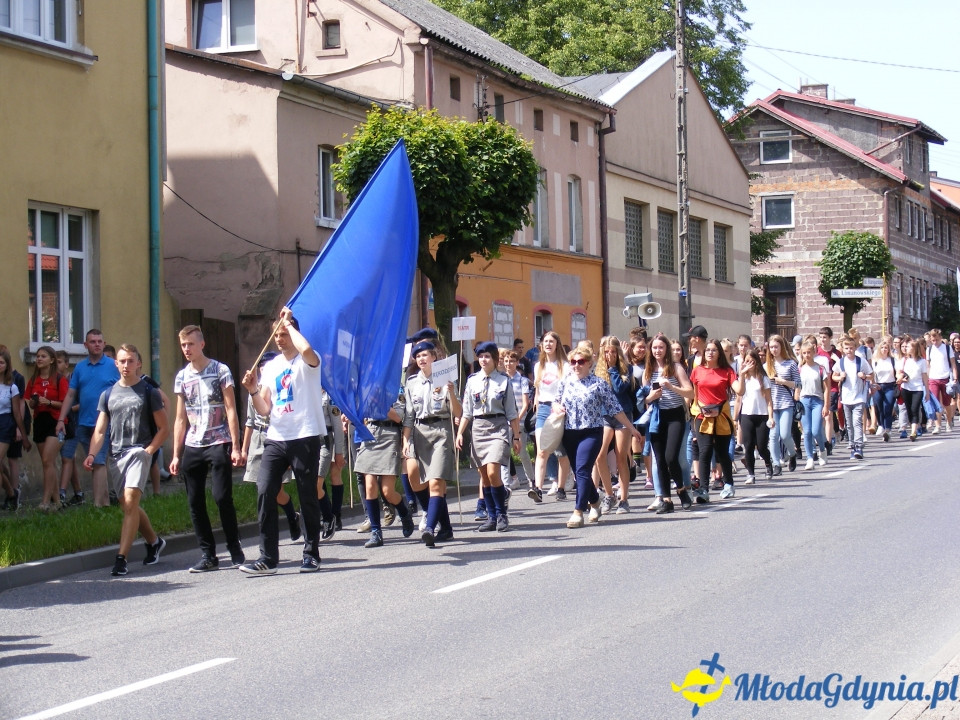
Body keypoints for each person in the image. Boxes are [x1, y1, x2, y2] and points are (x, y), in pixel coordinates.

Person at [239, 309, 326, 574]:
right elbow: (264, 408)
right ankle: (268, 558)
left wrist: (289, 323)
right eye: (276, 334)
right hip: (276, 437)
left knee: (306, 494)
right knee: (265, 490)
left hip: (305, 434)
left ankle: (311, 553)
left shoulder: (309, 360)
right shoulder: (272, 366)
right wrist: (253, 389)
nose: (279, 338)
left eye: (284, 333)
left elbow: (307, 348)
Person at [83, 344, 168, 577]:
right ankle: (154, 542)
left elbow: (163, 428)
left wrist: (149, 451)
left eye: (131, 361)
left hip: (139, 452)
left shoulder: (148, 391)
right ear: (116, 364)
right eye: (122, 361)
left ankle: (121, 559)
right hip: (116, 455)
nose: (126, 365)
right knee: (128, 506)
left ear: (139, 363)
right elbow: (100, 431)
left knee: (130, 501)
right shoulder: (108, 394)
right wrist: (91, 454)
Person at [169, 325, 245, 572]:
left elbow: (231, 408)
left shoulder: (220, 370)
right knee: (195, 501)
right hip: (193, 443)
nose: (187, 349)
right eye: (183, 345)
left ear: (201, 344)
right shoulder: (182, 376)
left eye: (190, 344)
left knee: (222, 497)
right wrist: (175, 454)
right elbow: (180, 418)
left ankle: (234, 548)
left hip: (218, 439)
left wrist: (236, 445)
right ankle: (208, 554)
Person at [553, 345, 643, 527]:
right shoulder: (565, 382)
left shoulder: (599, 383)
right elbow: (556, 401)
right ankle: (595, 500)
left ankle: (578, 511)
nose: (576, 365)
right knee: (580, 473)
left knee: (583, 470)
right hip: (570, 432)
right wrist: (556, 407)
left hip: (592, 432)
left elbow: (615, 409)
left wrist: (631, 428)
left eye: (580, 362)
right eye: (573, 362)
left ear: (589, 363)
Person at [456, 341, 520, 532]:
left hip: (498, 427)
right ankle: (491, 516)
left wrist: (516, 437)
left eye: (487, 356)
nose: (483, 360)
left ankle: (501, 514)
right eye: (481, 356)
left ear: (494, 359)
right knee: (484, 476)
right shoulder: (472, 380)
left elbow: (512, 413)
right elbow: (467, 411)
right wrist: (460, 434)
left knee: (493, 473)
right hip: (478, 428)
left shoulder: (503, 381)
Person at [403, 340, 462, 547]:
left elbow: (458, 412)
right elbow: (409, 415)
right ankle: (445, 528)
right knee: (415, 479)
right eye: (418, 356)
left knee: (436, 482)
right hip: (419, 433)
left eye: (425, 355)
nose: (421, 359)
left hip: (441, 431)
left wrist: (452, 392)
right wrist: (405, 439)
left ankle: (429, 527)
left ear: (434, 357)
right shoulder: (411, 383)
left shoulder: (445, 378)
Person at [240, 351, 301, 542]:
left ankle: (291, 516)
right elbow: (250, 421)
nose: (264, 369)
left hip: (276, 437)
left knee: (274, 490)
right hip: (259, 438)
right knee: (264, 488)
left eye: (268, 366)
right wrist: (243, 448)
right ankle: (270, 535)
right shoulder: (254, 390)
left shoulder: (282, 387)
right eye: (262, 366)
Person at [56, 329, 120, 507]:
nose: (97, 344)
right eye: (93, 341)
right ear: (86, 345)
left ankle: (100, 505)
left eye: (100, 341)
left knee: (98, 461)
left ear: (104, 343)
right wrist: (61, 420)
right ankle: (106, 501)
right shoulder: (80, 368)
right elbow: (70, 395)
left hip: (105, 423)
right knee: (95, 462)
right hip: (83, 422)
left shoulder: (113, 366)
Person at [355, 389, 415, 548]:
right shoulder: (369, 385)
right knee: (370, 486)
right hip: (371, 433)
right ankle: (376, 532)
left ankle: (404, 512)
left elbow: (398, 417)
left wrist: (379, 401)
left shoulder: (396, 387)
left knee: (387, 491)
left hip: (390, 435)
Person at [642, 334, 695, 513]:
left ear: (666, 350)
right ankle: (666, 500)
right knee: (660, 459)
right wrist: (651, 397)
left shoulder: (675, 367)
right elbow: (645, 399)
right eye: (655, 348)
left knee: (671, 456)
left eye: (661, 347)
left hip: (675, 416)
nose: (658, 351)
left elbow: (690, 393)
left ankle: (682, 491)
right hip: (657, 416)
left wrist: (671, 387)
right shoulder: (648, 370)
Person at [690, 339, 741, 501]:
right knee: (704, 451)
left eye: (713, 350)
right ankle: (704, 490)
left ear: (719, 353)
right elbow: (694, 394)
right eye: (708, 350)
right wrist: (693, 412)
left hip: (722, 415)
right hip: (702, 415)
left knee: (721, 452)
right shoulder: (697, 370)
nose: (710, 353)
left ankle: (729, 484)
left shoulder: (727, 371)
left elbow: (739, 390)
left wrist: (744, 375)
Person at [595, 336, 637, 514]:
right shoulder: (597, 371)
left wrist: (613, 368)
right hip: (604, 416)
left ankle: (624, 499)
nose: (609, 354)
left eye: (613, 351)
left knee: (621, 457)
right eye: (606, 352)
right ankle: (609, 494)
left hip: (623, 416)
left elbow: (619, 389)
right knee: (599, 455)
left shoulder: (626, 369)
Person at [25, 346, 69, 510]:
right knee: (48, 463)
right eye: (37, 356)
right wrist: (34, 402)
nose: (39, 359)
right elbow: (29, 401)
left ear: (51, 360)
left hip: (57, 423)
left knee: (47, 460)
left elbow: (66, 403)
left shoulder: (59, 379)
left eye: (43, 356)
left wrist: (49, 402)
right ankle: (57, 502)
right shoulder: (33, 379)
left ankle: (45, 501)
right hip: (40, 421)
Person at [529, 331, 571, 503]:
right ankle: (538, 488)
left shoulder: (565, 365)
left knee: (561, 452)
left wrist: (561, 407)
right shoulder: (538, 366)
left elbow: (569, 389)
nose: (548, 344)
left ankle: (561, 487)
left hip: (560, 410)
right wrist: (537, 408)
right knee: (542, 450)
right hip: (544, 410)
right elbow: (538, 390)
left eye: (551, 341)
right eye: (545, 341)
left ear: (557, 344)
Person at [735, 348, 774, 484]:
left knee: (762, 446)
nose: (749, 364)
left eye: (752, 361)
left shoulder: (763, 378)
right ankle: (751, 473)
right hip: (746, 415)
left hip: (762, 415)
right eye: (747, 361)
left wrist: (771, 416)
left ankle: (768, 463)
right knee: (749, 445)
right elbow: (739, 396)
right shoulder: (742, 378)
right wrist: (735, 419)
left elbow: (769, 400)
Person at [0, 347, 32, 510]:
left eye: (1, 363)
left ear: (7, 364)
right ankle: (11, 493)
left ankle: (11, 494)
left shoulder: (11, 386)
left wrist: (24, 435)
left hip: (5, 424)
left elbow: (17, 413)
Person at [765, 334, 801, 473]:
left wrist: (784, 382)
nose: (774, 349)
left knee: (785, 435)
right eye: (771, 347)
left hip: (786, 403)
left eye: (776, 346)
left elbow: (798, 384)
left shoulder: (791, 363)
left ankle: (792, 454)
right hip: (771, 405)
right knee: (773, 436)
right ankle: (776, 464)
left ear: (782, 347)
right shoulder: (767, 365)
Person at [832, 336, 873, 460]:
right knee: (849, 424)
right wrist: (840, 377)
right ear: (843, 350)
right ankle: (852, 444)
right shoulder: (841, 362)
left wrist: (864, 376)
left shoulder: (861, 361)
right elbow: (834, 376)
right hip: (846, 397)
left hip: (859, 396)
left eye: (851, 348)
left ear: (855, 348)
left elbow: (871, 375)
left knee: (857, 422)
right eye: (846, 348)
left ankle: (859, 446)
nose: (849, 350)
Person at [54, 350, 84, 506]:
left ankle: (62, 493)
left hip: (74, 423)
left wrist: (68, 410)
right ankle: (79, 493)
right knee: (69, 458)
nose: (56, 365)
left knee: (66, 457)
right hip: (60, 423)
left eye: (59, 362)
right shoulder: (54, 380)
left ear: (66, 364)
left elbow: (83, 402)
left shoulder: (73, 379)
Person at [797, 342, 830, 469]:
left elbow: (826, 389)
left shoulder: (820, 369)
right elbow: (797, 388)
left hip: (817, 400)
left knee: (816, 430)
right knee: (807, 431)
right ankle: (810, 458)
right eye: (804, 353)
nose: (807, 355)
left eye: (809, 352)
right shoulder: (800, 369)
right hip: (804, 400)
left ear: (814, 352)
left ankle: (822, 450)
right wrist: (796, 403)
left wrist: (826, 406)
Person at [897, 340, 928, 441]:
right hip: (906, 388)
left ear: (914, 348)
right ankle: (913, 427)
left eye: (908, 347)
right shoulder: (905, 360)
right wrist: (902, 378)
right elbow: (900, 373)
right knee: (909, 410)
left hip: (918, 389)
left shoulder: (922, 361)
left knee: (915, 409)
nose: (906, 349)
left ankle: (913, 432)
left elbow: (924, 377)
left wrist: (927, 391)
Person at [926, 329, 956, 433]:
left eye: (937, 340)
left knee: (947, 403)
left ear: (940, 338)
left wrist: (955, 377)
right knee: (936, 403)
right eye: (933, 340)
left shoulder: (947, 348)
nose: (935, 342)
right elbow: (928, 365)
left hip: (945, 378)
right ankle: (937, 425)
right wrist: (927, 378)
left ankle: (948, 421)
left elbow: (953, 363)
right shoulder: (929, 349)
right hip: (933, 378)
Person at [871, 337, 898, 442]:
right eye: (882, 348)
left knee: (888, 406)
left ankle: (888, 429)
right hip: (878, 385)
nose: (884, 350)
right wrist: (872, 385)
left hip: (890, 385)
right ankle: (881, 424)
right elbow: (872, 374)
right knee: (879, 407)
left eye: (886, 348)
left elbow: (897, 371)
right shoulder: (876, 361)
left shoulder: (892, 360)